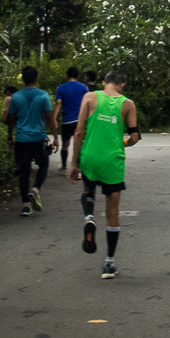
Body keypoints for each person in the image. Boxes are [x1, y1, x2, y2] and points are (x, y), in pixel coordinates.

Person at [68, 71, 141, 279]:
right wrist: (123, 143)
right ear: (122, 85)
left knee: (89, 190)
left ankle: (89, 217)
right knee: (113, 211)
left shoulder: (90, 97)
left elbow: (79, 132)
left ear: (103, 83)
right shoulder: (128, 104)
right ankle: (109, 263)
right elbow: (135, 137)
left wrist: (74, 164)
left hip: (90, 157)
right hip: (112, 162)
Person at [6, 67, 57, 217]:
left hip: (21, 139)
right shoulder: (43, 96)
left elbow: (11, 119)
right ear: (36, 78)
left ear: (23, 79)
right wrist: (56, 137)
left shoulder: (16, 97)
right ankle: (35, 190)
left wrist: (10, 138)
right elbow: (49, 117)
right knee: (44, 165)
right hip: (38, 138)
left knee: (24, 171)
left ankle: (26, 206)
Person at [54, 67, 89, 175]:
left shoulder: (61, 88)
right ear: (77, 76)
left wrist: (54, 118)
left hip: (67, 121)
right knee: (80, 144)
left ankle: (64, 167)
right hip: (80, 120)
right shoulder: (84, 87)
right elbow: (88, 103)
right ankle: (78, 169)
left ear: (67, 75)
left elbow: (59, 103)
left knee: (65, 144)